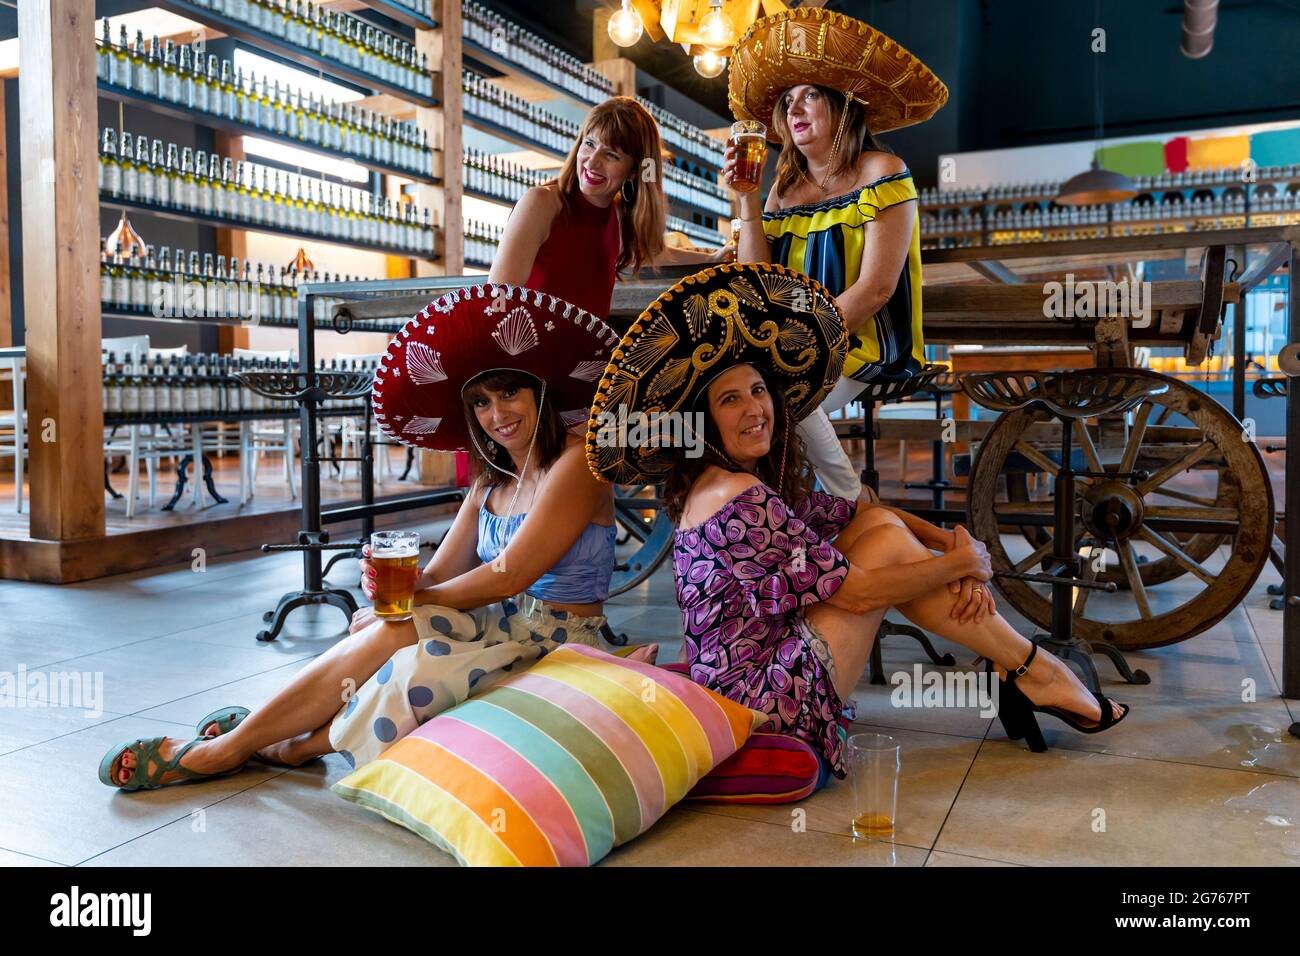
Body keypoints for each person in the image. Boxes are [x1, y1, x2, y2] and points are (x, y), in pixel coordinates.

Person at [586, 263, 1130, 784]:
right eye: (730, 399)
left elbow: (865, 513)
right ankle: (1035, 672)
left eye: (758, 390)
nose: (755, 408)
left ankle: (1025, 670)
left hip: (749, 671)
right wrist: (961, 564)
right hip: (758, 702)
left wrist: (953, 542)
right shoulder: (738, 496)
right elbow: (861, 594)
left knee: (882, 531)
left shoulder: (726, 481)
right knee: (884, 554)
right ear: (702, 421)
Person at [99, 284, 652, 791]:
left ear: (538, 393)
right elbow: (441, 571)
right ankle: (257, 741)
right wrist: (401, 587)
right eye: (480, 403)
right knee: (393, 626)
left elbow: (513, 573)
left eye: (508, 394)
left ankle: (263, 745)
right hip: (499, 624)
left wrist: (417, 599)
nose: (495, 414)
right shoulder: (490, 479)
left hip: (559, 638)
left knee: (410, 636)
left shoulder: (577, 462)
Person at [724, 7, 948, 501]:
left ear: (844, 107)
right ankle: (763, 513)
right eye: (787, 101)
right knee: (736, 392)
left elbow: (877, 288)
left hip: (864, 341)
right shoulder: (784, 188)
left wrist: (799, 344)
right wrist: (746, 199)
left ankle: (854, 504)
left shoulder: (883, 170)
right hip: (789, 344)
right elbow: (757, 278)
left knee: (781, 397)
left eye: (810, 96)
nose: (795, 109)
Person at [490, 95, 731, 318]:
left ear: (634, 171)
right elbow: (496, 298)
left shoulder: (619, 215)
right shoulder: (541, 203)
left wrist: (714, 258)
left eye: (611, 155)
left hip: (588, 358)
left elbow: (653, 252)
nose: (592, 162)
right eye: (589, 144)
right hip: (529, 356)